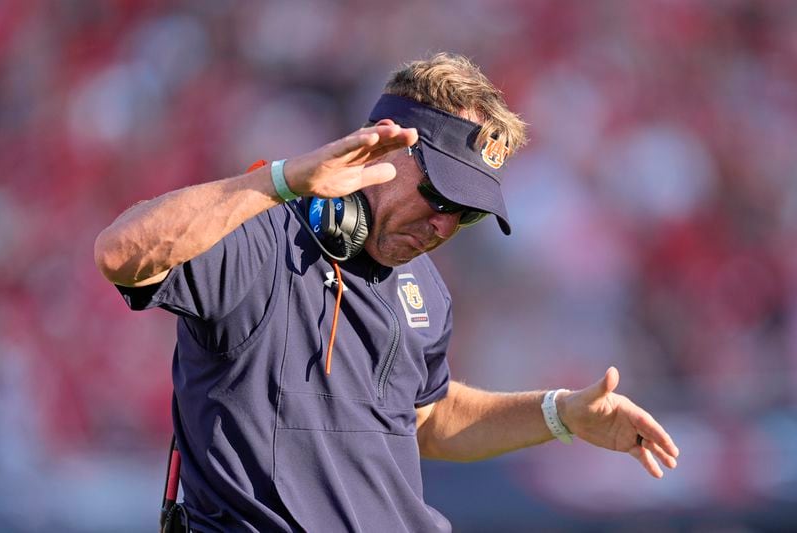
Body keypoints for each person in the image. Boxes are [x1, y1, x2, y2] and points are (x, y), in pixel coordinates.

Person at [94, 53, 679, 532]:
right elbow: (119, 254)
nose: (444, 226)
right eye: (440, 196)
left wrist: (559, 415)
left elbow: (425, 419)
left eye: (466, 214)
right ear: (381, 148)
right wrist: (280, 180)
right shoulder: (260, 235)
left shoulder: (425, 287)